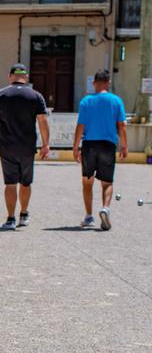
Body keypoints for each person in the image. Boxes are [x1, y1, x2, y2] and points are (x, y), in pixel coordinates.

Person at [0, 63, 50, 230]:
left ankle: (10, 219)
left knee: (10, 184)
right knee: (26, 183)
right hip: (27, 147)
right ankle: (24, 214)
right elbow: (43, 121)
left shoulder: (0, 95)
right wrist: (46, 144)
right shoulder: (36, 96)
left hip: (7, 146)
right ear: (26, 77)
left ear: (10, 77)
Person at [73, 69, 127, 231]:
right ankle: (105, 208)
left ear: (94, 83)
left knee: (87, 182)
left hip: (89, 145)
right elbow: (122, 125)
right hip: (108, 145)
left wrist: (75, 147)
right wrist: (124, 145)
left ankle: (89, 217)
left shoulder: (86, 101)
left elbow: (80, 125)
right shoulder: (116, 101)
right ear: (108, 83)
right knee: (107, 182)